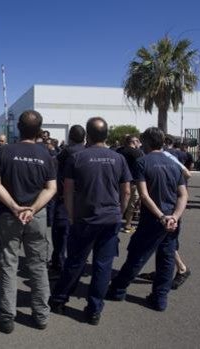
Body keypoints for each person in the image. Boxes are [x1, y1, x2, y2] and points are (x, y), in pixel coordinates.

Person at [49, 117, 131, 325]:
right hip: (111, 218)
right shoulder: (118, 158)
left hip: (84, 218)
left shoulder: (77, 157)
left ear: (88, 134)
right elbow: (127, 190)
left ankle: (59, 299)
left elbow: (67, 190)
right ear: (106, 135)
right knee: (103, 265)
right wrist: (120, 213)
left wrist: (70, 214)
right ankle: (94, 310)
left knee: (75, 260)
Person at [107, 127, 188, 312]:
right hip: (172, 219)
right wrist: (174, 217)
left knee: (137, 256)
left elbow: (143, 195)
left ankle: (118, 290)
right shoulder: (174, 164)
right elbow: (183, 195)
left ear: (148, 143)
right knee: (166, 258)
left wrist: (161, 216)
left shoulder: (143, 163)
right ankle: (160, 298)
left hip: (153, 219)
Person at [0, 110, 56, 333]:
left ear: (18, 127)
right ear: (40, 129)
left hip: (10, 215)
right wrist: (33, 209)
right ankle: (41, 315)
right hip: (36, 216)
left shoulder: (4, 151)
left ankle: (7, 317)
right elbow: (51, 188)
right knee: (38, 265)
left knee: (8, 264)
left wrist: (15, 207)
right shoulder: (46, 154)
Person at [49, 125, 85, 277]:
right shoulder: (87, 151)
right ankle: (75, 265)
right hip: (82, 200)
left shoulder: (67, 152)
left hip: (65, 198)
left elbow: (53, 164)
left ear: (70, 136)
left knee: (61, 233)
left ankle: (59, 265)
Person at [117, 134, 144, 234]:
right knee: (131, 205)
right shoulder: (138, 153)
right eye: (137, 141)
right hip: (133, 182)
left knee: (118, 202)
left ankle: (114, 221)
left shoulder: (119, 151)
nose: (139, 143)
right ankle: (128, 225)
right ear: (133, 142)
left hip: (119, 182)